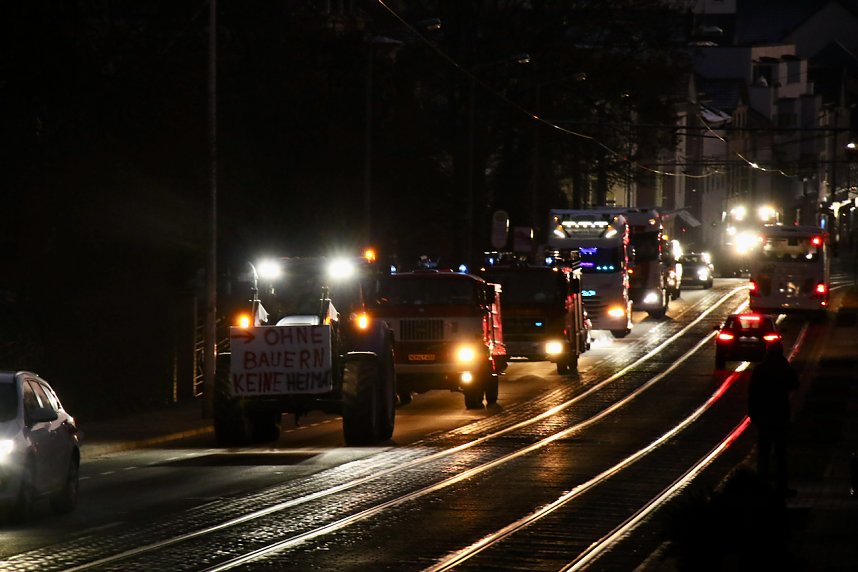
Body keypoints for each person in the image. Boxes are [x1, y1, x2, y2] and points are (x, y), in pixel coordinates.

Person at [747, 343, 799, 496]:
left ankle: (762, 487)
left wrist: (753, 413)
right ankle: (781, 487)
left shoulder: (760, 369)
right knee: (781, 453)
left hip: (764, 416)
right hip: (780, 415)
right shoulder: (784, 367)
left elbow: (752, 392)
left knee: (764, 453)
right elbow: (795, 384)